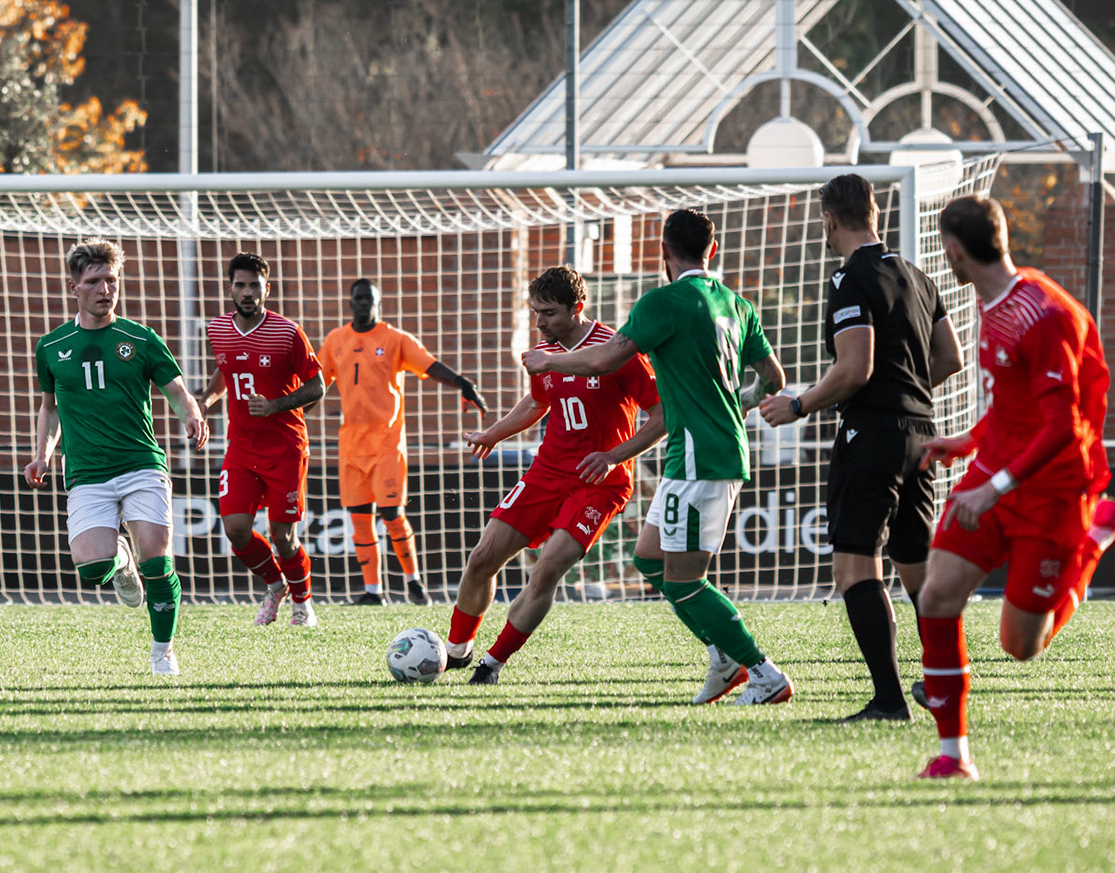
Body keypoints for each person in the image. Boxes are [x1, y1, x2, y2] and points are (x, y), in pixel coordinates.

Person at [912, 195, 1115, 780]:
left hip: (1055, 490)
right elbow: (1014, 404)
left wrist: (993, 488)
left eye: (944, 249)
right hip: (996, 473)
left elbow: (1063, 428)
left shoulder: (1045, 315)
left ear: (955, 251)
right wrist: (967, 443)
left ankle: (1099, 533)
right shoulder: (993, 303)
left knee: (1020, 646)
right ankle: (953, 756)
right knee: (937, 597)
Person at [524, 208, 795, 706]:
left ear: (664, 251)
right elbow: (774, 379)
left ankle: (764, 673)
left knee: (685, 580)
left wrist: (549, 360)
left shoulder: (663, 302)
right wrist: (740, 402)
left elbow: (605, 358)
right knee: (648, 558)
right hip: (703, 452)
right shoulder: (738, 305)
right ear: (712, 250)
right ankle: (723, 657)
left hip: (699, 457)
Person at [758, 173, 963, 722]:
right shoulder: (918, 276)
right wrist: (905, 390)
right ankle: (945, 682)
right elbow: (950, 358)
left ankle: (889, 701)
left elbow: (854, 369)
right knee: (917, 570)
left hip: (872, 435)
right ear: (874, 212)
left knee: (854, 569)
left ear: (829, 220)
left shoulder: (851, 279)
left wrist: (799, 405)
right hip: (922, 433)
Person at [444, 267, 663, 683]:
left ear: (578, 308)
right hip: (547, 471)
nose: (539, 322)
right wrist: (493, 434)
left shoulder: (618, 351)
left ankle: (491, 665)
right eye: (535, 312)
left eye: (548, 313)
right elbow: (536, 403)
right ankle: (456, 652)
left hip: (600, 483)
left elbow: (663, 415)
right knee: (482, 559)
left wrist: (613, 457)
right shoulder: (545, 354)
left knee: (546, 569)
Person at [25, 238, 211, 676]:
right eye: (94, 281)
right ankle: (121, 562)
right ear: (73, 287)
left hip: (141, 464)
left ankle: (162, 652)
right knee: (93, 567)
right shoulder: (51, 346)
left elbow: (176, 389)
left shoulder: (140, 338)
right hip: (87, 472)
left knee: (157, 561)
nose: (105, 289)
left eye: (111, 279)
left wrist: (191, 414)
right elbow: (50, 408)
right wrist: (42, 455)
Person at [318, 278, 486, 606]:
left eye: (369, 299)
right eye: (358, 298)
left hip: (387, 444)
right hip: (351, 446)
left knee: (392, 514)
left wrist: (462, 383)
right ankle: (373, 592)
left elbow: (429, 365)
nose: (363, 303)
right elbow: (318, 385)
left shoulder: (395, 339)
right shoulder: (335, 340)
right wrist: (289, 413)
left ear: (378, 303)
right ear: (350, 303)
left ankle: (414, 582)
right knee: (359, 519)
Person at [200, 252, 326, 627]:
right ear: (230, 289)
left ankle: (303, 604)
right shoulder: (217, 329)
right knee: (236, 529)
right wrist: (206, 401)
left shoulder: (288, 332)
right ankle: (275, 585)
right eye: (240, 285)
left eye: (254, 285)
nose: (247, 292)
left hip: (285, 448)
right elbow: (226, 370)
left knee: (282, 536)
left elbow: (318, 386)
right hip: (240, 447)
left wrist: (275, 406)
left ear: (266, 289)